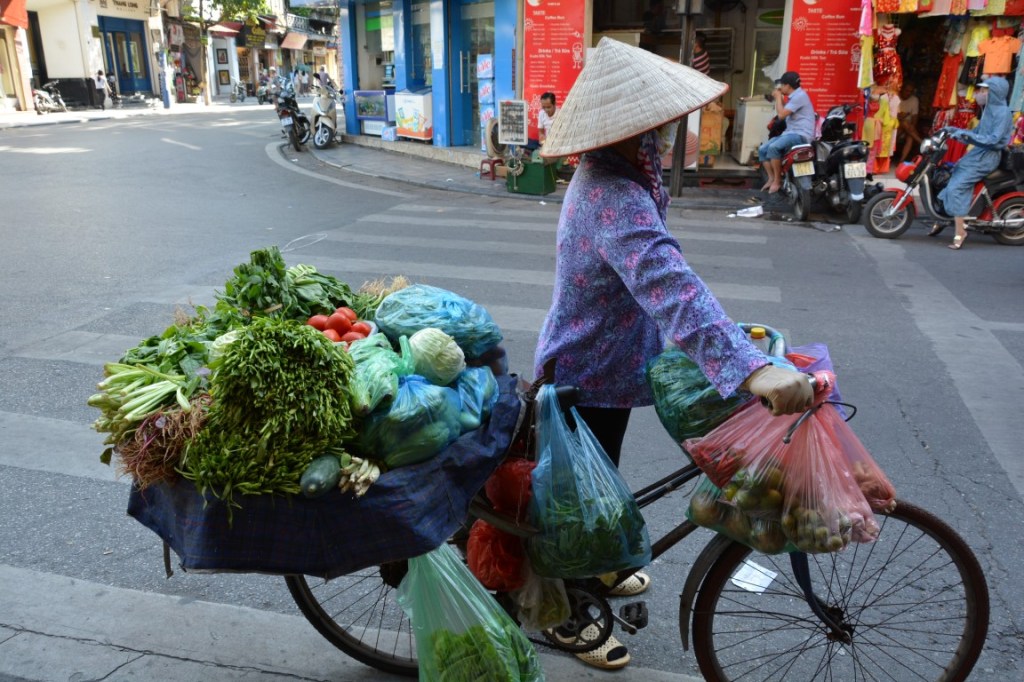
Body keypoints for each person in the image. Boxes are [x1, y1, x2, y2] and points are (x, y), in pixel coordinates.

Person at [537, 37, 815, 671]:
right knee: (581, 500)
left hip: (618, 358)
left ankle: (599, 566)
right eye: (657, 116)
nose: (666, 126)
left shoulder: (633, 159)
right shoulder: (611, 189)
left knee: (600, 484)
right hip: (584, 369)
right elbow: (669, 283)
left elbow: (667, 273)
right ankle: (562, 607)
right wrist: (747, 369)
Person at [934, 76, 1013, 249]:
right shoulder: (988, 110)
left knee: (957, 187)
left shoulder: (1003, 113)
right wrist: (954, 130)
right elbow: (977, 131)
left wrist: (967, 136)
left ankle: (960, 232)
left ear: (995, 93)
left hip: (987, 157)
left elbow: (992, 140)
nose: (980, 94)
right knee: (951, 174)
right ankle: (946, 218)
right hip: (977, 154)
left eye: (984, 91)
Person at [757, 71, 815, 195]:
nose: (780, 88)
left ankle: (777, 181)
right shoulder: (794, 96)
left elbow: (781, 115)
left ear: (788, 86)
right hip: (790, 133)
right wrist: (780, 98)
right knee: (762, 150)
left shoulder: (800, 96)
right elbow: (785, 110)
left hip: (800, 135)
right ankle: (771, 178)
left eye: (782, 85)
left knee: (773, 147)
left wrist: (778, 97)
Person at [895, 82, 921, 165]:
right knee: (904, 122)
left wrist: (912, 127)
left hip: (908, 127)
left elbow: (915, 116)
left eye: (910, 91)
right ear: (902, 90)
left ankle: (901, 161)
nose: (908, 93)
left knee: (910, 136)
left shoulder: (914, 100)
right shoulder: (896, 97)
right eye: (907, 91)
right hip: (896, 125)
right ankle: (921, 142)